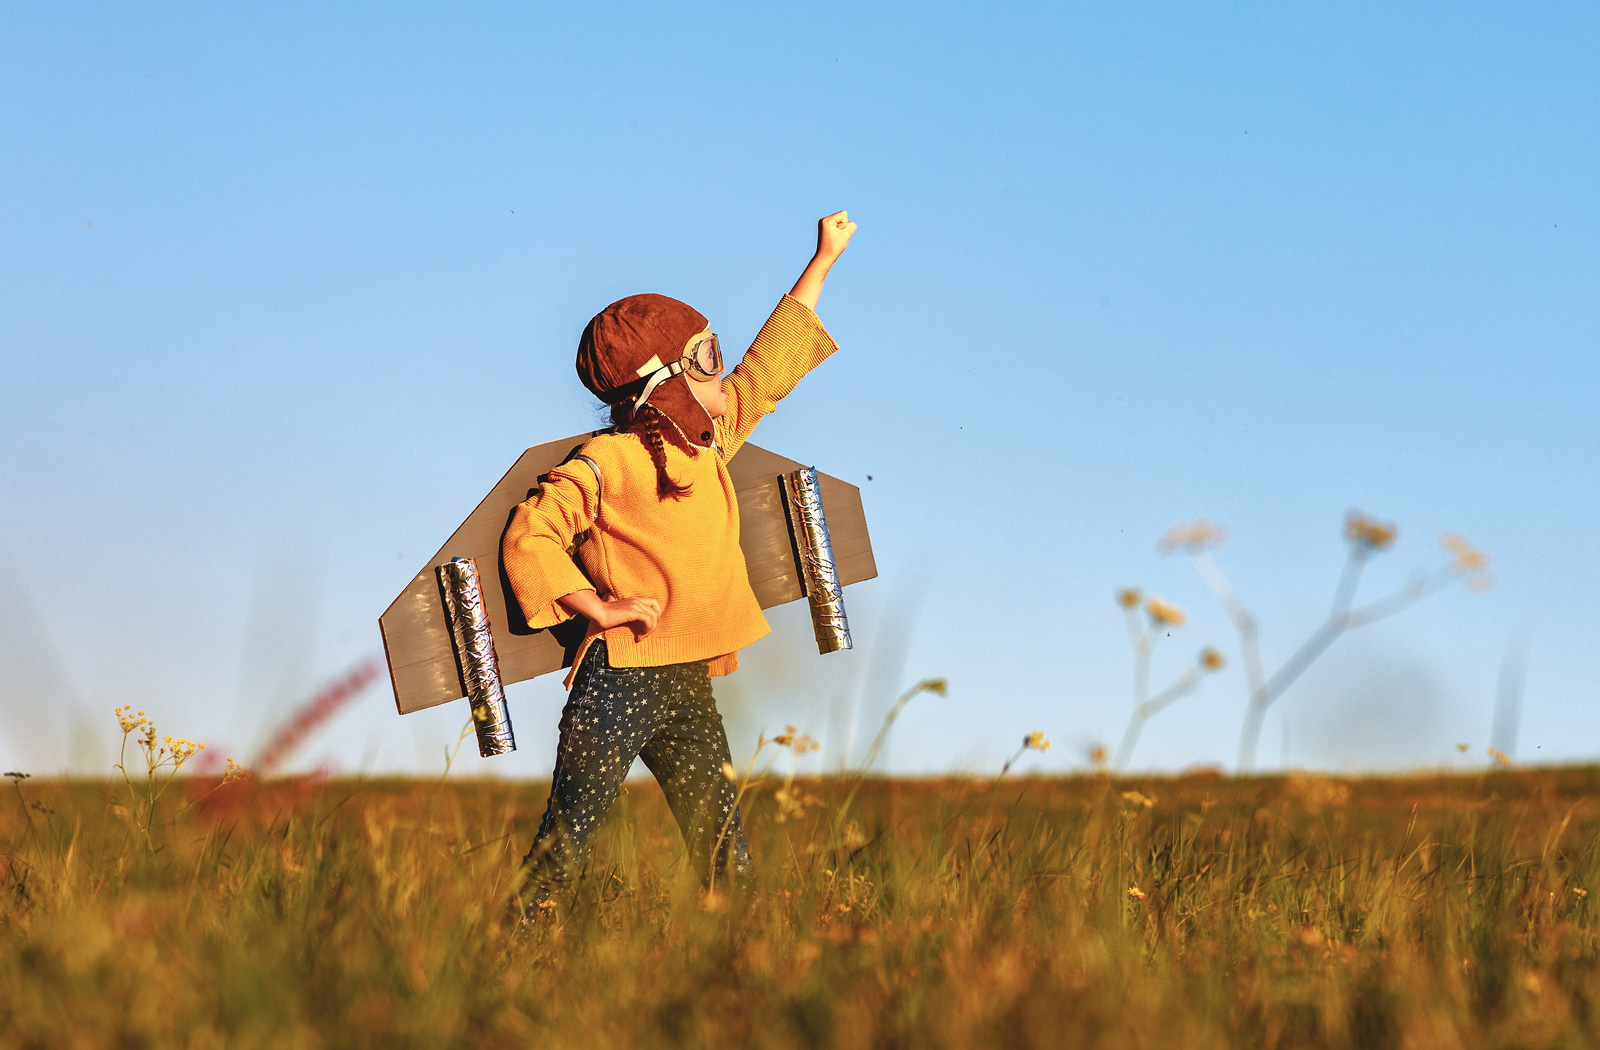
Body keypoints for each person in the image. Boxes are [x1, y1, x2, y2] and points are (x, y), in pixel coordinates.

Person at [503, 210, 857, 897]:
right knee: (567, 842)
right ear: (662, 381)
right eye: (706, 357)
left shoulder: (709, 445)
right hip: (621, 681)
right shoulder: (611, 460)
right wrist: (595, 607)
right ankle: (517, 944)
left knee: (726, 854)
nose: (723, 370)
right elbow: (533, 532)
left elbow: (769, 371)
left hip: (688, 684)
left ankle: (737, 963)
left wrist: (822, 262)